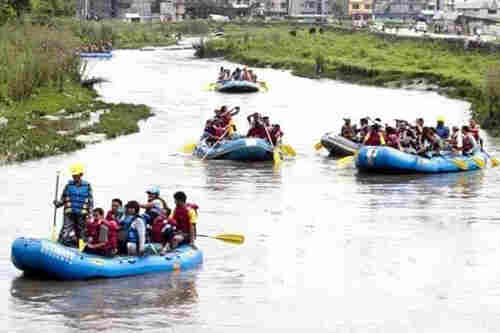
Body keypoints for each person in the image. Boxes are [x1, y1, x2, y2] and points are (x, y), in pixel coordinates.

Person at [54, 163, 94, 248]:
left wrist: (90, 214)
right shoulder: (68, 186)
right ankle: (60, 246)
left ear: (81, 175)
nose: (74, 177)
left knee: (81, 233)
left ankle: (81, 248)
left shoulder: (87, 186)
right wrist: (58, 204)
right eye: (73, 175)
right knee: (65, 231)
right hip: (69, 213)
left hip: (82, 214)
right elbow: (63, 199)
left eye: (76, 175)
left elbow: (90, 202)